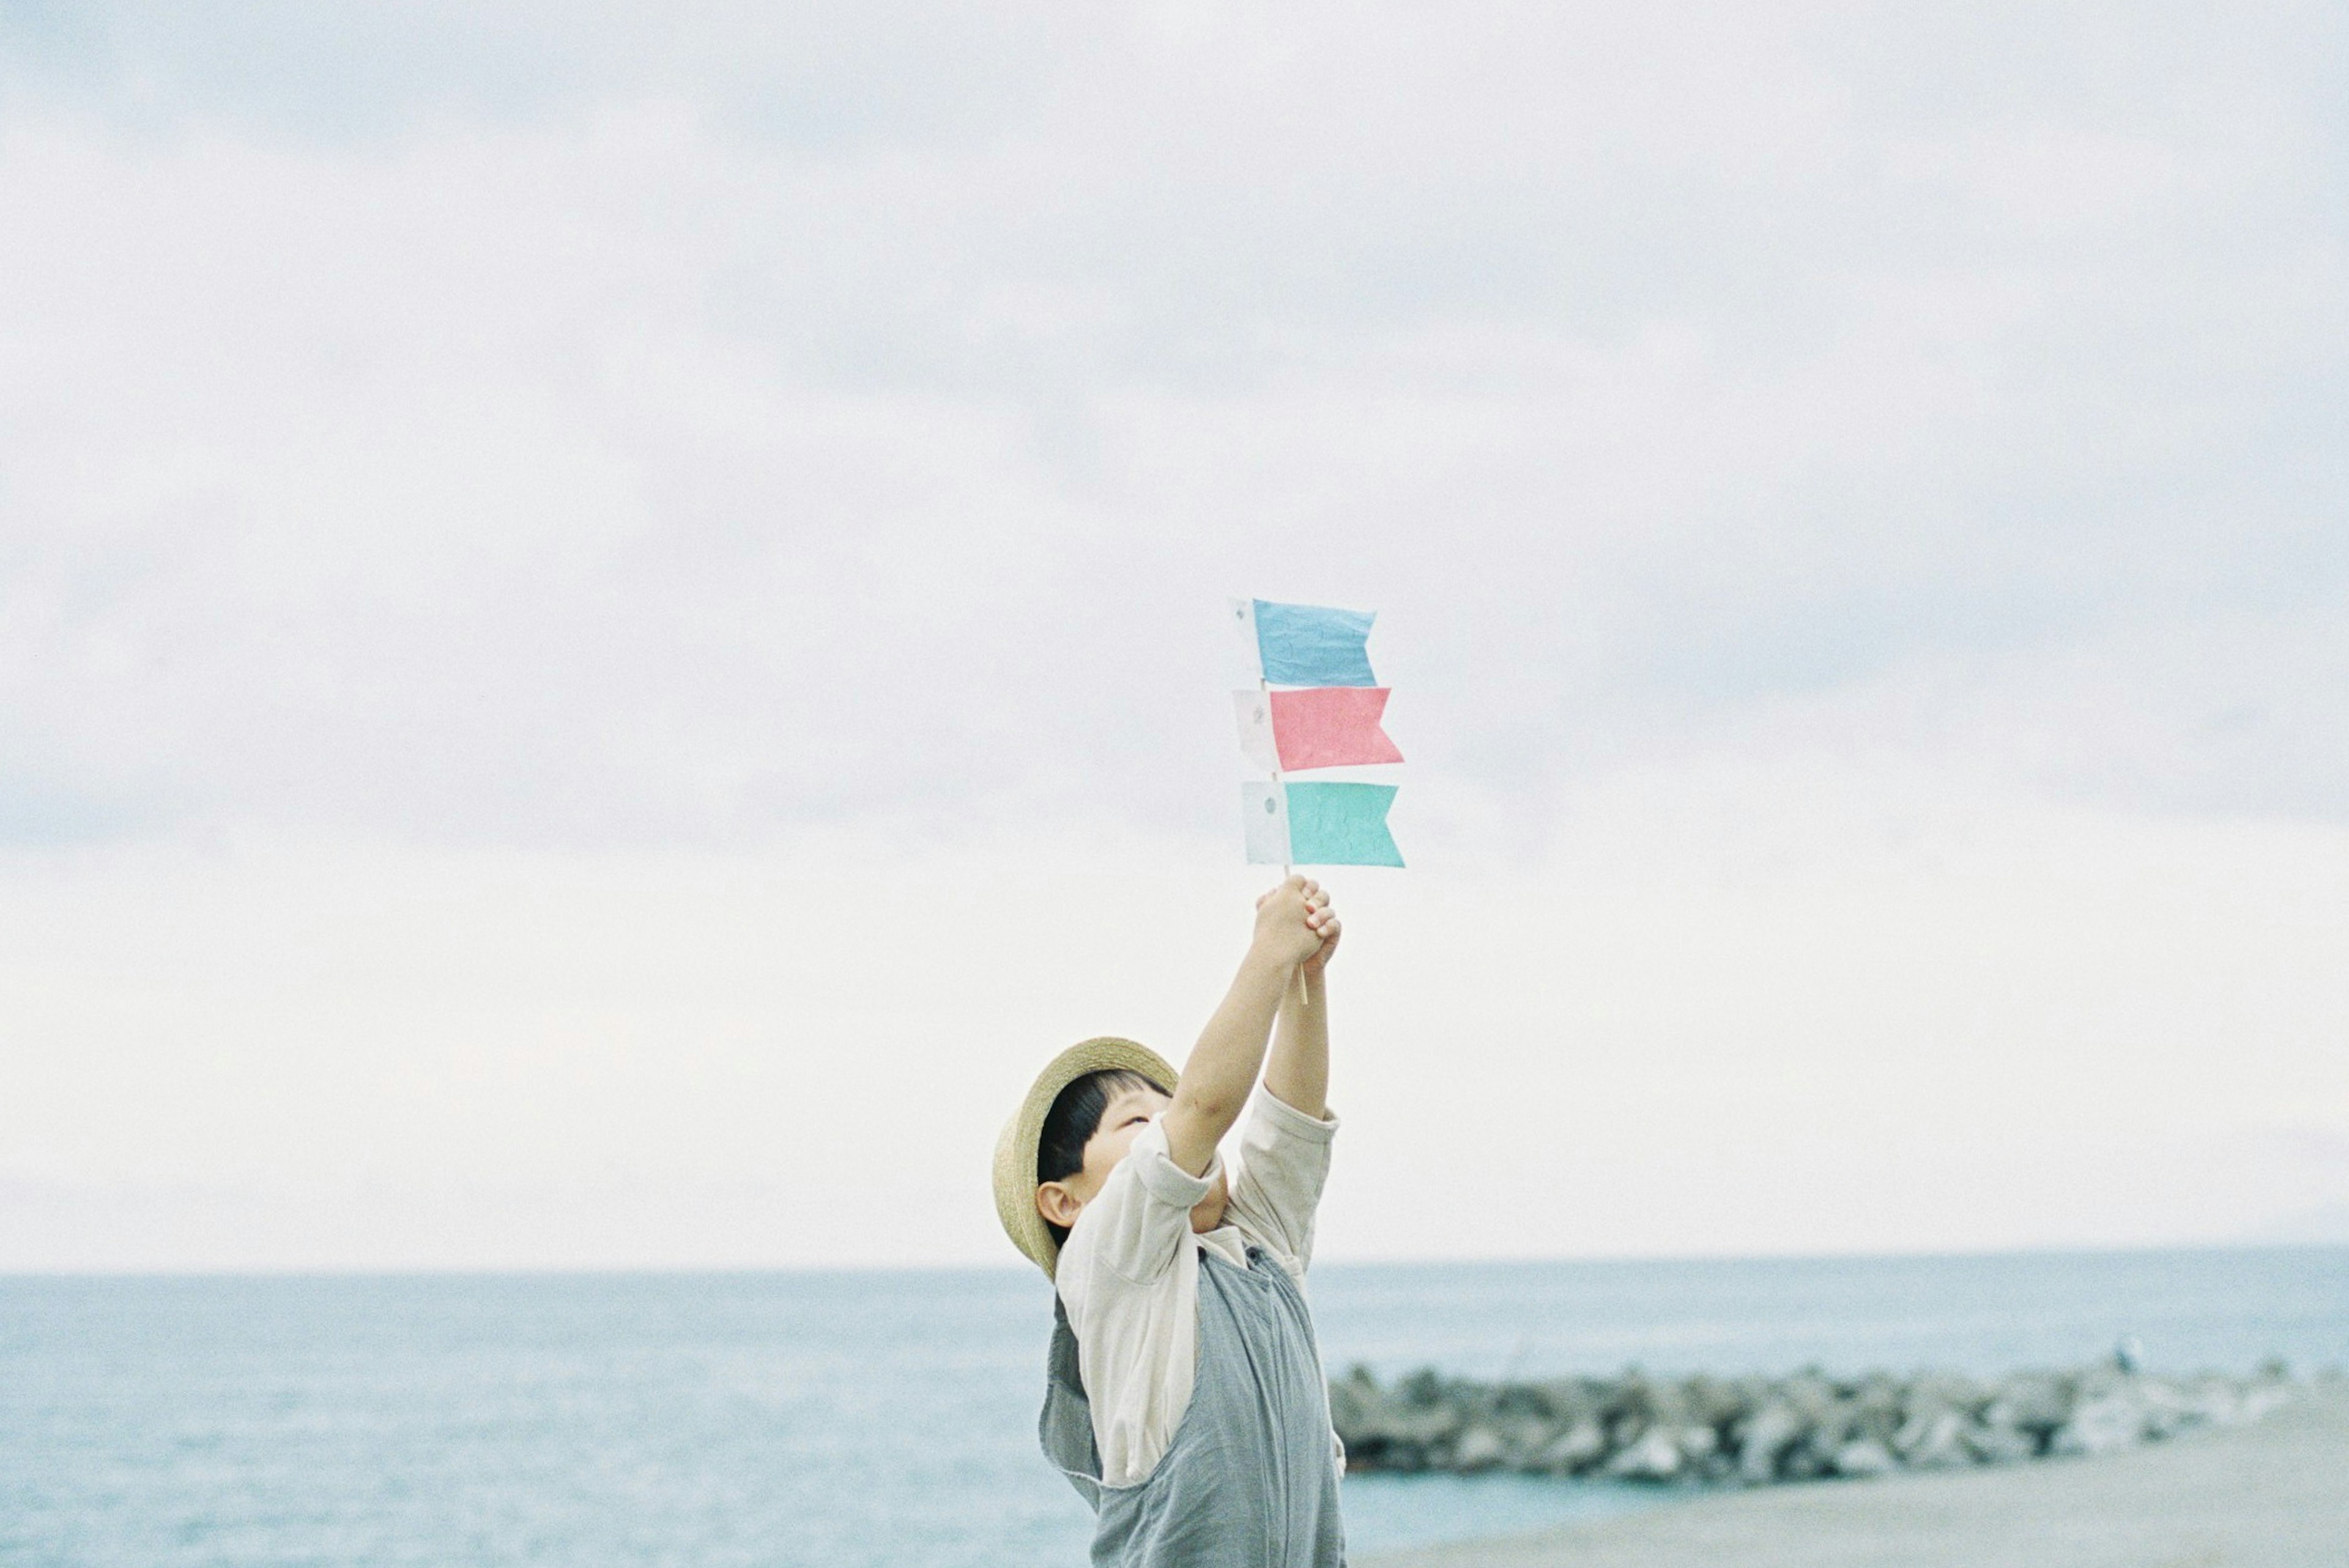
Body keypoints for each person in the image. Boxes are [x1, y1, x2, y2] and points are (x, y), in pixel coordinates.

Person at [991, 875, 1348, 1566]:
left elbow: (1294, 1123)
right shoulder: (1109, 1261)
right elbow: (1205, 1107)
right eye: (1138, 1122)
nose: (1171, 1128)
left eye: (1168, 1107)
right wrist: (1267, 953)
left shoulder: (1259, 1244)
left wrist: (1306, 978)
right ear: (1065, 1202)